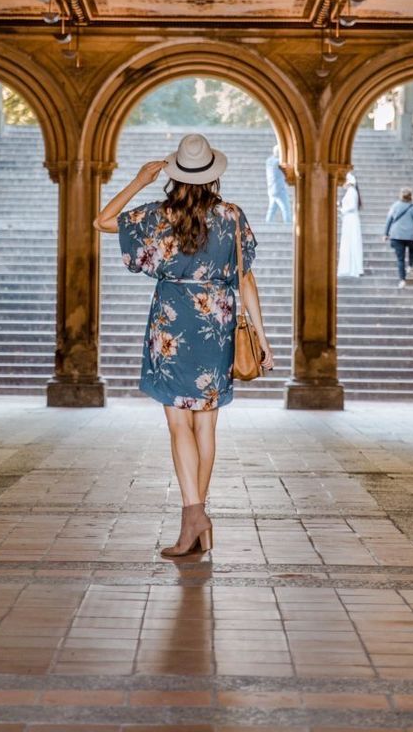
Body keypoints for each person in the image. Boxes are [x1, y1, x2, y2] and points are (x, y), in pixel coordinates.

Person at [94, 132, 274, 559]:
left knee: (179, 425)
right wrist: (263, 339)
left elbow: (102, 221)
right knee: (206, 426)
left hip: (172, 323)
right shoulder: (231, 217)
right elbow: (246, 277)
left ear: (175, 174)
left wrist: (139, 180)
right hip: (217, 321)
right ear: (213, 176)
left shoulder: (158, 217)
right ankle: (196, 518)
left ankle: (194, 517)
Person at [384, 187, 413, 289]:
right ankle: (410, 266)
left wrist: (385, 233)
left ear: (400, 195)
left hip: (397, 235)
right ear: (411, 196)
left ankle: (402, 280)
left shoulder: (395, 206)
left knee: (400, 259)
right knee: (412, 251)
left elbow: (389, 220)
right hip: (411, 235)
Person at [337, 172, 363, 277]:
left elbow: (351, 206)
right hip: (349, 219)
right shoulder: (350, 191)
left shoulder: (352, 192)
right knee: (349, 241)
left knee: (351, 240)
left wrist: (341, 209)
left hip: (350, 219)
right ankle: (348, 266)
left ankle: (352, 267)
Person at [265, 144, 291, 223]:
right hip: (279, 189)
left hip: (271, 189)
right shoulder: (278, 162)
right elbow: (287, 167)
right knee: (286, 208)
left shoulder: (269, 161)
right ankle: (288, 224)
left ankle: (268, 223)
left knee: (272, 209)